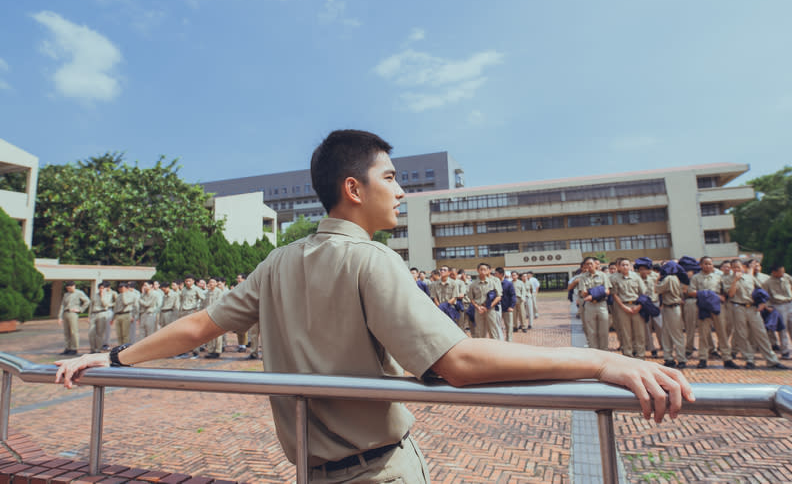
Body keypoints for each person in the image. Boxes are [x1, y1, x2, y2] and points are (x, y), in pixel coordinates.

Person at [56, 129, 693, 483]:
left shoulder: (279, 260)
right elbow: (457, 362)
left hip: (311, 470)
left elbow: (200, 325)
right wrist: (596, 363)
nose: (400, 190)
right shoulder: (373, 259)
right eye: (390, 177)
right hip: (377, 473)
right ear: (353, 188)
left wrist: (111, 356)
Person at [687, 257, 736, 369]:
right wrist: (707, 294)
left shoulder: (719, 277)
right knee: (703, 334)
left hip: (717, 306)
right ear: (701, 265)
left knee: (722, 333)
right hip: (703, 307)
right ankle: (703, 358)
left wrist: (720, 296)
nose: (708, 266)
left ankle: (727, 358)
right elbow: (690, 291)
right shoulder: (696, 277)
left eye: (710, 264)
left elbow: (726, 291)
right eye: (706, 264)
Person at [610, 258, 647, 358]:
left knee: (639, 332)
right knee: (626, 333)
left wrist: (639, 306)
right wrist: (623, 307)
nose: (625, 267)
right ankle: (628, 355)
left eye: (627, 265)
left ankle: (640, 355)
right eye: (623, 265)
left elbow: (643, 293)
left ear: (630, 266)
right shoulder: (614, 278)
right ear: (619, 267)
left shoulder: (636, 277)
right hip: (622, 307)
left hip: (637, 306)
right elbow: (614, 294)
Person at [467, 263, 503, 340]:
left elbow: (498, 296)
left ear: (488, 271)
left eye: (485, 269)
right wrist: (478, 307)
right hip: (478, 310)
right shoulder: (473, 284)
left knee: (493, 330)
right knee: (480, 331)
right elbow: (471, 298)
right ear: (477, 270)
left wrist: (488, 306)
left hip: (490, 309)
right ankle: (481, 349)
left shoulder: (493, 282)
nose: (483, 271)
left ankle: (495, 347)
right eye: (481, 269)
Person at [763, 265, 792, 359]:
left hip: (790, 303)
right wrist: (768, 307)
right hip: (778, 305)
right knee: (783, 329)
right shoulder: (767, 282)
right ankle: (785, 351)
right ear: (774, 272)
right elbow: (765, 296)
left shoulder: (786, 277)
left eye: (783, 271)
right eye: (780, 272)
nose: (782, 274)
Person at [58, 281, 90, 355]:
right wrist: (60, 317)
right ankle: (67, 348)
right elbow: (62, 305)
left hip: (73, 313)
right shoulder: (66, 294)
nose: (69, 289)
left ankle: (74, 348)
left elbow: (87, 301)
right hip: (65, 313)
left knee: (73, 332)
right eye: (67, 288)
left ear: (74, 286)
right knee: (66, 332)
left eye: (70, 288)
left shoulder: (79, 293)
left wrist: (80, 309)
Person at [88, 282, 114, 354]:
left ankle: (97, 349)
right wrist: (89, 316)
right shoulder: (95, 295)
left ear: (105, 289)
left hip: (102, 313)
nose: (101, 289)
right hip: (94, 314)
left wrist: (102, 296)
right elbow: (91, 306)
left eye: (103, 288)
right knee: (91, 332)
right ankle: (92, 349)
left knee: (100, 333)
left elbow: (105, 304)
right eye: (100, 288)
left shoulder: (108, 295)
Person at [494, 268, 516, 342]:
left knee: (509, 326)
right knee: (498, 325)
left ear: (501, 274)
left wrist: (511, 306)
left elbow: (513, 295)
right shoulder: (495, 283)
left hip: (507, 308)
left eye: (496, 273)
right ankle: (500, 340)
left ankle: (509, 340)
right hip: (497, 308)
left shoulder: (508, 284)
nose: (495, 275)